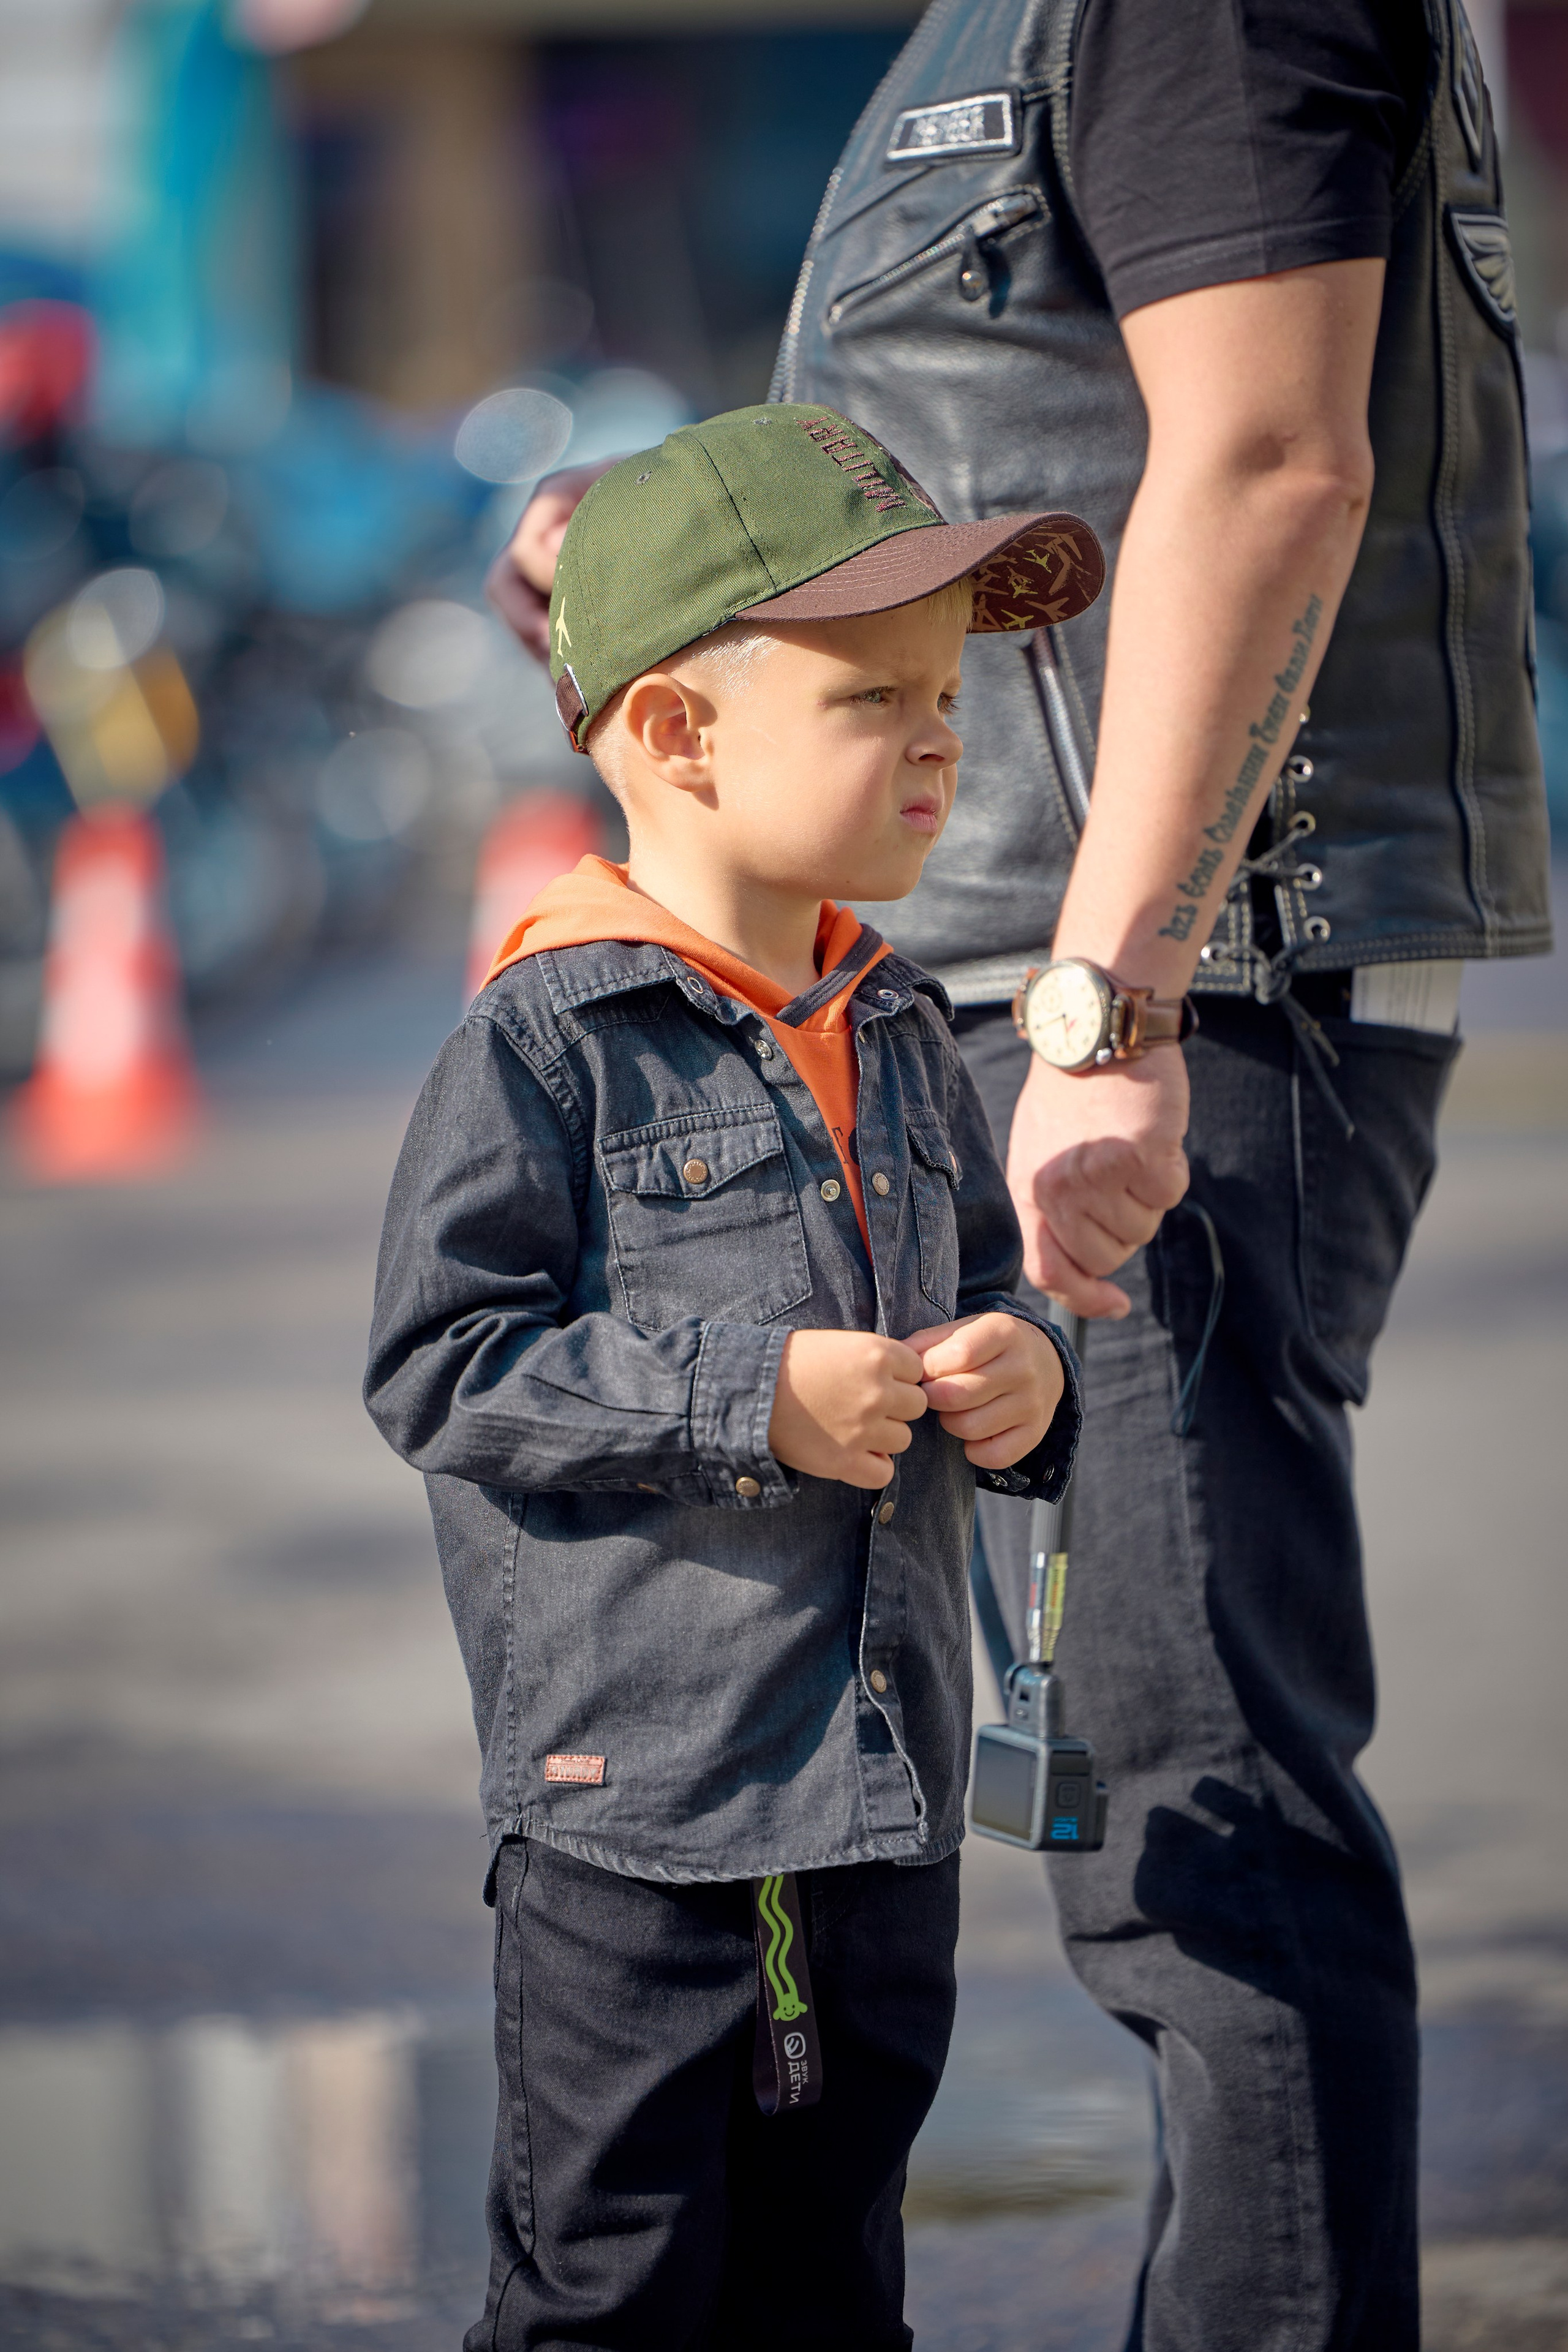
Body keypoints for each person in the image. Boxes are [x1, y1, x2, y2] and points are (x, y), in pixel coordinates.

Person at [490, 6, 1553, 2344]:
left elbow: (1271, 462)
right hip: (1027, 986)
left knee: (1195, 1812)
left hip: (1172, 989)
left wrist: (1119, 1007)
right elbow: (1025, 444)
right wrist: (677, 557)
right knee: (1053, 1786)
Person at [366, 404, 1093, 2350]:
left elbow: (996, 1286)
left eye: (948, 697)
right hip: (640, 1828)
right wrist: (747, 1398)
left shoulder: (902, 1017)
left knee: (833, 2281)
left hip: (880, 1803)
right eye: (876, 698)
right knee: (611, 2287)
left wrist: (1025, 1373)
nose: (942, 742)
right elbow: (442, 1365)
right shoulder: (548, 1038)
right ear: (679, 734)